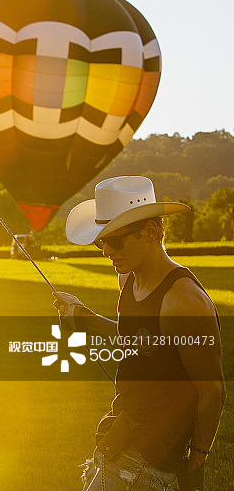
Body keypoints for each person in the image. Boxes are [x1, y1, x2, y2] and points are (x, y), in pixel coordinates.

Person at [52, 176, 225, 491]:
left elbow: (212, 390)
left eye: (114, 241)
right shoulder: (129, 279)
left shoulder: (183, 300)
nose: (105, 251)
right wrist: (83, 316)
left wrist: (196, 461)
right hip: (121, 433)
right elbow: (137, 341)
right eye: (100, 240)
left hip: (151, 455)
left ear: (150, 233)